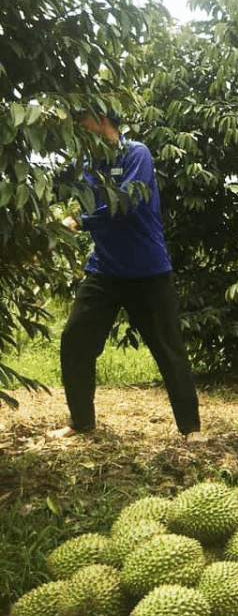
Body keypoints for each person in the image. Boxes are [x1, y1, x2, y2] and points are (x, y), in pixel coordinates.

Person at [49, 110, 204, 441]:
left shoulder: (137, 154)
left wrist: (80, 221)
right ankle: (81, 422)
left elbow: (127, 202)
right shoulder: (86, 164)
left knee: (169, 349)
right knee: (75, 340)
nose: (78, 127)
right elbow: (53, 186)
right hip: (104, 270)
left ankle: (191, 429)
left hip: (148, 273)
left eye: (82, 121)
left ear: (102, 119)